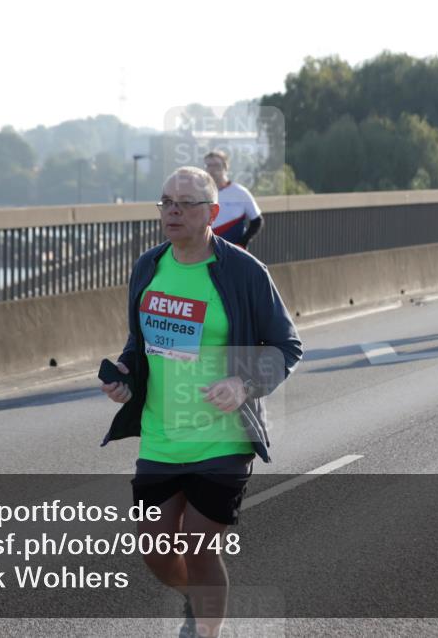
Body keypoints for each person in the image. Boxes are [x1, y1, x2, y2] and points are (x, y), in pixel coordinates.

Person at [100, 166, 302, 638]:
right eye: (166, 202)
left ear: (212, 213)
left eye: (186, 204)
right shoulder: (148, 266)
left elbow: (287, 346)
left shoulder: (244, 272)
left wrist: (243, 384)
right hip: (161, 436)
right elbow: (139, 342)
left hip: (222, 436)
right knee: (155, 552)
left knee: (198, 546)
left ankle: (207, 629)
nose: (172, 211)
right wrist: (125, 374)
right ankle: (199, 600)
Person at [203, 150, 264, 249]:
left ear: (226, 167)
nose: (212, 169)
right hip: (207, 250)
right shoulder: (200, 193)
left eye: (216, 165)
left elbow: (257, 221)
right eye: (209, 165)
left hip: (233, 250)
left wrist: (243, 243)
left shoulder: (240, 192)